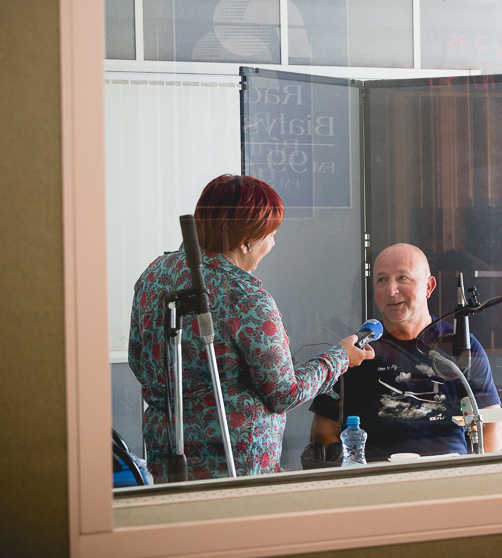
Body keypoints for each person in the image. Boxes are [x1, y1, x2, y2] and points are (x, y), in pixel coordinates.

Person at [128, 174, 373, 481]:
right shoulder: (245, 296)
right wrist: (340, 357)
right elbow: (284, 393)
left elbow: (138, 359)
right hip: (235, 468)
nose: (273, 243)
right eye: (271, 235)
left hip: (165, 462)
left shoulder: (153, 276)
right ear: (246, 241)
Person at [308, 243, 502, 461]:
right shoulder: (356, 351)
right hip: (375, 477)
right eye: (382, 280)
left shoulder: (460, 346)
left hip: (448, 474)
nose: (390, 290)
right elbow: (324, 429)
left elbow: (491, 424)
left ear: (429, 287)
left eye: (403, 278)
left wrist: (476, 473)